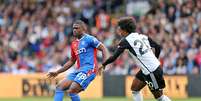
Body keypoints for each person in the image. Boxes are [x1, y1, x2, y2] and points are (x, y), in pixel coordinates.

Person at [99, 17, 171, 101]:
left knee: (159, 97)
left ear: (124, 30)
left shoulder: (126, 41)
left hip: (151, 71)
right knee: (135, 89)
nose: (118, 31)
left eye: (120, 29)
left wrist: (103, 64)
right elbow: (157, 47)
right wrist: (154, 60)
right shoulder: (142, 36)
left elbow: (114, 57)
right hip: (148, 69)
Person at [47, 20, 108, 101]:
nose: (74, 30)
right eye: (73, 28)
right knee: (59, 87)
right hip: (79, 70)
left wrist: (104, 63)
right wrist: (57, 72)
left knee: (72, 89)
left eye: (76, 28)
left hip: (90, 69)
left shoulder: (89, 39)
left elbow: (103, 48)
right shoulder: (74, 44)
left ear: (83, 28)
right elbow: (72, 61)